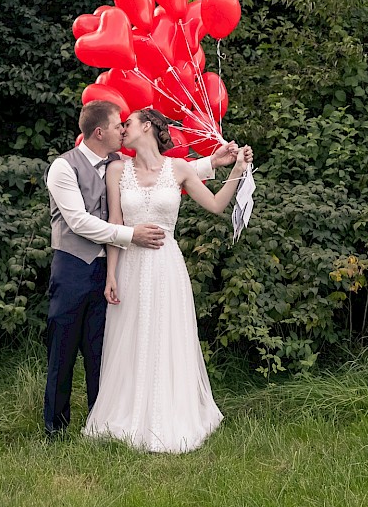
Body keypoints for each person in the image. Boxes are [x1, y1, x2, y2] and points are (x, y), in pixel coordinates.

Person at [44, 100, 238, 438]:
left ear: (146, 126)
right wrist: (121, 256)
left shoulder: (143, 164)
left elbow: (180, 180)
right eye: (119, 125)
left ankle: (135, 415)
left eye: (127, 123)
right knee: (80, 345)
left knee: (121, 344)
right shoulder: (82, 167)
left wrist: (225, 165)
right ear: (100, 131)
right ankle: (60, 427)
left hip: (149, 265)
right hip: (92, 265)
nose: (123, 128)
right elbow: (87, 221)